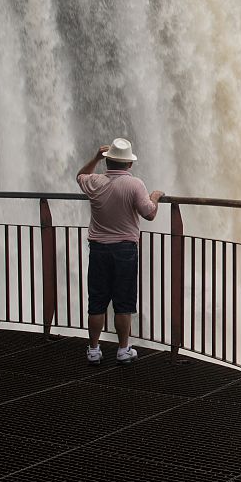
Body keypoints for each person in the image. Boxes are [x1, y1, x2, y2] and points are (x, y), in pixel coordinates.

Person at [75, 138, 164, 365]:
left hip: (98, 249)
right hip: (125, 250)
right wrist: (155, 196)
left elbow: (79, 176)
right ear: (129, 165)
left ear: (107, 162)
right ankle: (123, 349)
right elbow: (149, 213)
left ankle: (94, 349)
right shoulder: (135, 185)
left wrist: (95, 157)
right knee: (123, 302)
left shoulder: (94, 181)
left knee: (97, 301)